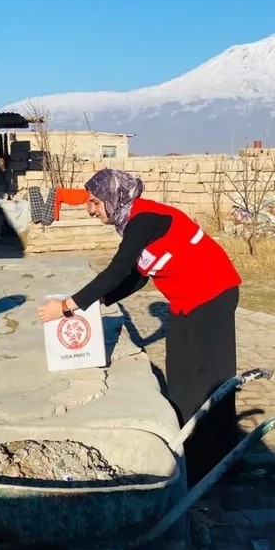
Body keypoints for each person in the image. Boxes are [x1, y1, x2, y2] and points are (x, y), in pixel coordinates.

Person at [36, 168, 242, 486]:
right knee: (181, 378)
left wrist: (68, 306)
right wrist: (102, 301)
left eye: (94, 202)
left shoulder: (143, 220)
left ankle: (224, 458)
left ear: (113, 197)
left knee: (214, 378)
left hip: (214, 294)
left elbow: (118, 269)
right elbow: (138, 274)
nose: (90, 210)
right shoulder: (131, 223)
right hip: (187, 300)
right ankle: (191, 453)